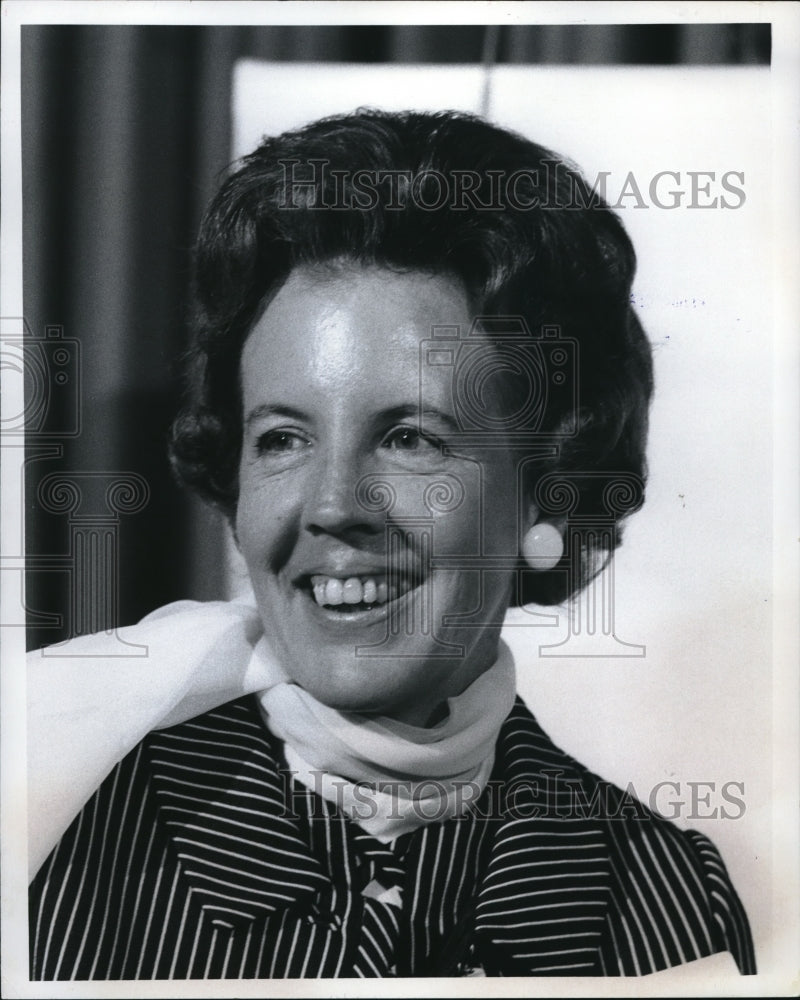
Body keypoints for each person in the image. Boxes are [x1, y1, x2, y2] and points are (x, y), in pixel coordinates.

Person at [28, 109, 755, 979]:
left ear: (549, 490)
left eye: (411, 437)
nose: (332, 507)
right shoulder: (54, 840)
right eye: (282, 439)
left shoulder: (665, 899)